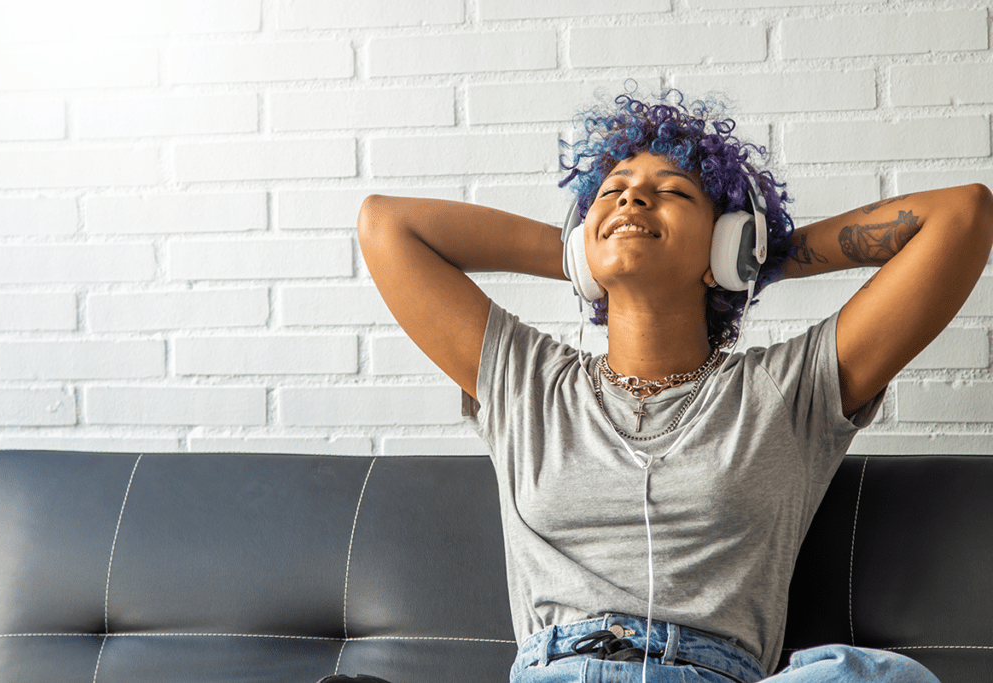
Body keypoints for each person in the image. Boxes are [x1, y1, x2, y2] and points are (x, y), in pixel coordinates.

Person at [353, 89, 993, 682]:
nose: (631, 200)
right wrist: (586, 251)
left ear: (724, 243)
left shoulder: (787, 390)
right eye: (613, 190)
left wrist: (761, 254)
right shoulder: (527, 380)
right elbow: (386, 226)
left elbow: (962, 215)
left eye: (672, 193)